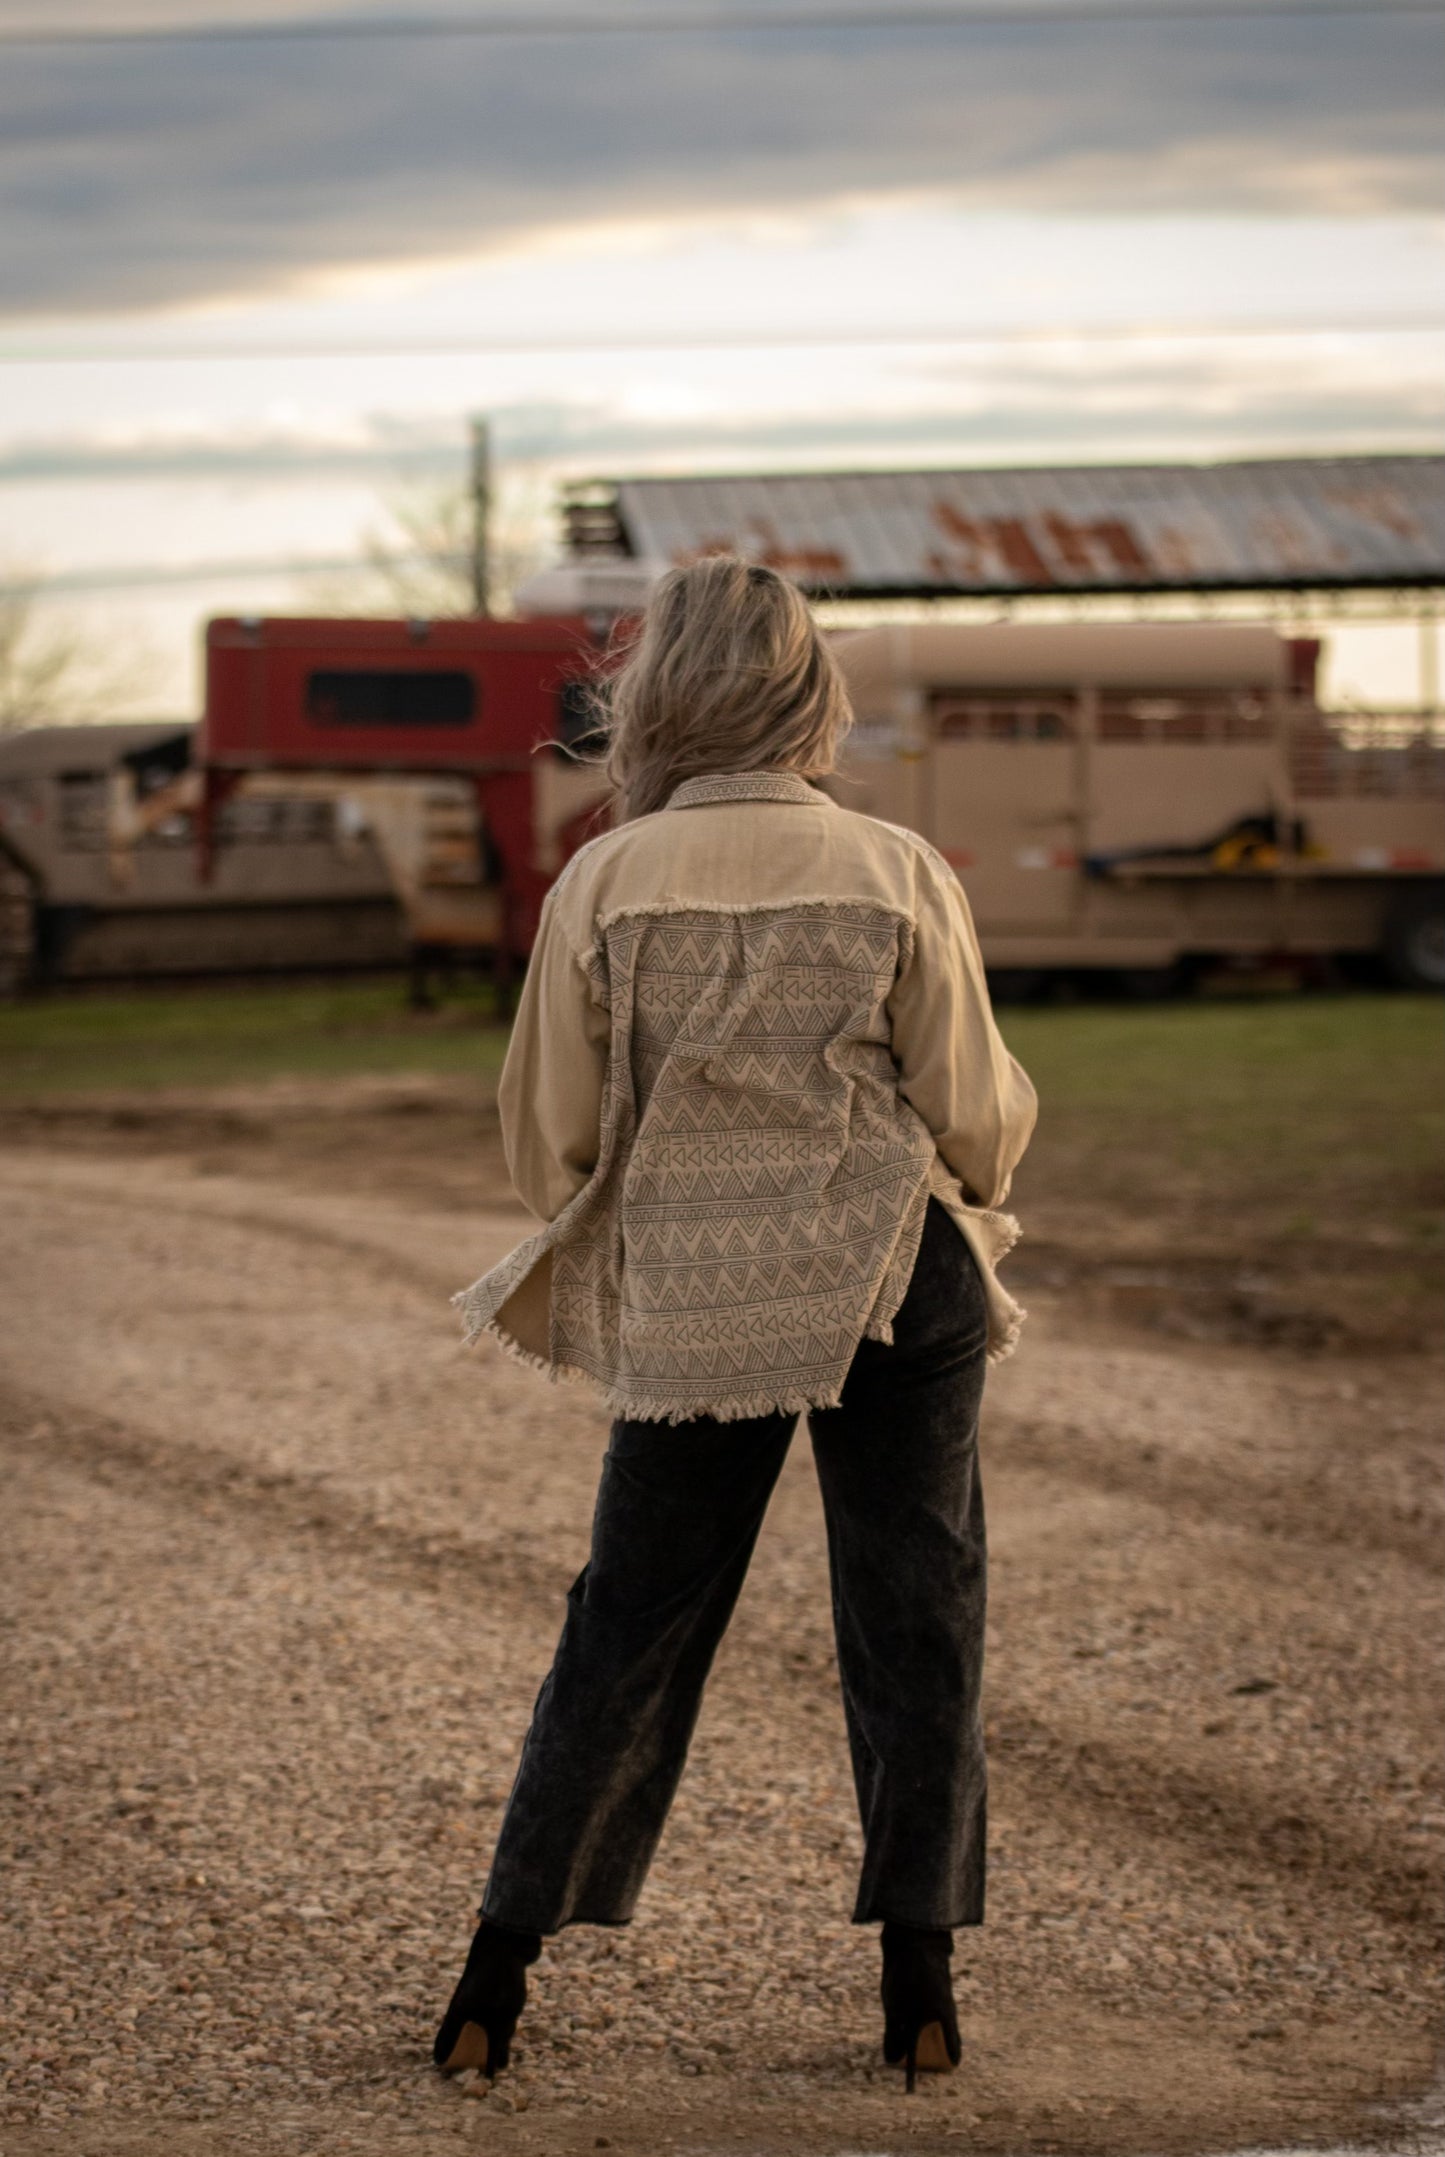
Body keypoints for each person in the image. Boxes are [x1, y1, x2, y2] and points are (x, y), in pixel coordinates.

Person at [435, 555, 1037, 2092]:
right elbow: (971, 1110)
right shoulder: (898, 867)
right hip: (896, 1271)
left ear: (653, 695)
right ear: (806, 691)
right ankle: (919, 1981)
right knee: (917, 1611)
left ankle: (494, 1977)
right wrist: (971, 1190)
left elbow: (551, 1141)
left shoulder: (601, 879)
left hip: (697, 1293)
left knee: (628, 1620)